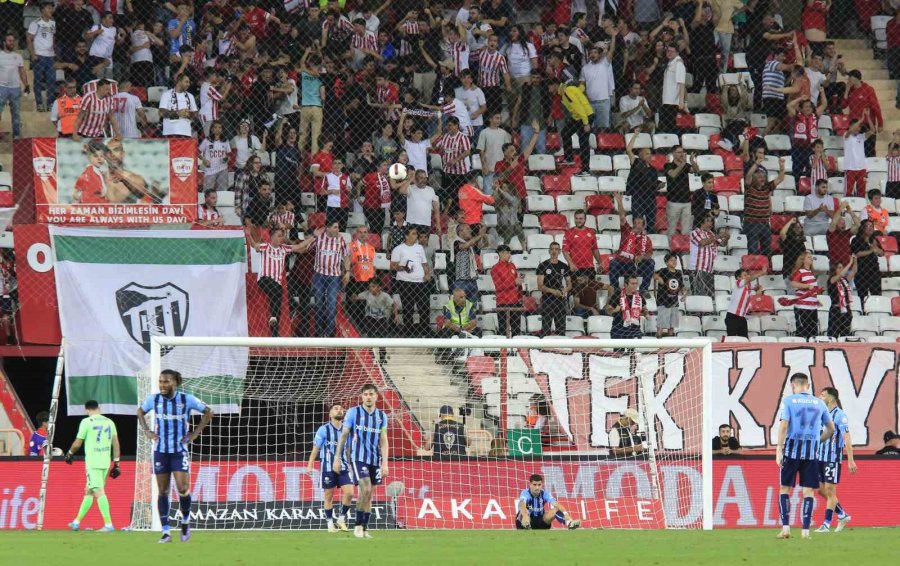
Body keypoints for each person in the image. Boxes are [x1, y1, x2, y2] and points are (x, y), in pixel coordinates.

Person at [137, 370, 214, 543]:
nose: (162, 385)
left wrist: (194, 433)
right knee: (163, 491)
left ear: (175, 383)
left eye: (166, 382)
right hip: (160, 451)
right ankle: (166, 532)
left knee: (182, 489)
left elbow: (209, 412)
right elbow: (140, 412)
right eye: (160, 382)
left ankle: (185, 521)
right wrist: (147, 431)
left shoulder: (187, 399)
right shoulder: (153, 399)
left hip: (179, 451)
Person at [775, 372, 834, 540]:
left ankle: (786, 529)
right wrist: (817, 441)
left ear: (793, 386)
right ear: (807, 386)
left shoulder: (788, 401)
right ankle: (805, 532)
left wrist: (779, 449)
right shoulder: (819, 403)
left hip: (792, 452)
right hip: (811, 454)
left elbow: (784, 426)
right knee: (808, 492)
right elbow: (831, 429)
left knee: (784, 489)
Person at [333, 383, 389, 539]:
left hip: (375, 460)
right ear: (362, 397)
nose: (368, 397)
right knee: (365, 489)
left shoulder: (382, 416)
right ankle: (357, 526)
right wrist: (337, 458)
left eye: (371, 394)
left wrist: (385, 463)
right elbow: (344, 435)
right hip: (358, 458)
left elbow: (383, 440)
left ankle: (364, 528)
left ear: (376, 396)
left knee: (369, 494)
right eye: (365, 394)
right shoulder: (353, 413)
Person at [64, 400, 120, 532]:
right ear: (99, 408)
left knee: (98, 491)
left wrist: (70, 453)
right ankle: (76, 523)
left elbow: (78, 443)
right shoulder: (109, 422)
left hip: (93, 462)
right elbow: (116, 443)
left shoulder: (86, 422)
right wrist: (116, 463)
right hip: (105, 462)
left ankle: (108, 525)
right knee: (89, 491)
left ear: (86, 410)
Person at [247, 227, 312, 335]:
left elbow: (300, 246)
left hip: (276, 283)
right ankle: (274, 318)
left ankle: (274, 328)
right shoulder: (266, 247)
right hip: (264, 279)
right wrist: (249, 236)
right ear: (272, 237)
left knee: (277, 294)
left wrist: (313, 237)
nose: (281, 238)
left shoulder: (284, 248)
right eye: (279, 236)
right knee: (279, 291)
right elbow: (254, 246)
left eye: (282, 236)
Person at [305, 404, 354, 533]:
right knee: (328, 496)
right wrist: (310, 464)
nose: (339, 410)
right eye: (336, 409)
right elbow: (316, 449)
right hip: (327, 467)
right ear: (330, 414)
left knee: (350, 493)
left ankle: (341, 518)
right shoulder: (323, 429)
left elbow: (348, 449)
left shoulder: (347, 430)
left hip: (343, 466)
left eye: (341, 409)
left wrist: (350, 463)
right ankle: (330, 524)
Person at [815, 387, 857, 533]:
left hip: (832, 458)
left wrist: (850, 460)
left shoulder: (840, 415)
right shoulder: (822, 414)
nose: (820, 397)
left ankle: (826, 524)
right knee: (820, 490)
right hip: (819, 457)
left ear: (831, 398)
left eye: (823, 395)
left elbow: (846, 437)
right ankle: (842, 514)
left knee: (830, 490)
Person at [390, 226, 431, 337]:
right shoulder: (398, 249)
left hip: (420, 282)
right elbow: (393, 266)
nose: (415, 236)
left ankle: (424, 331)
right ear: (406, 236)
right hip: (405, 282)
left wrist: (427, 274)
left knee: (424, 307)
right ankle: (408, 333)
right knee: (408, 308)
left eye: (416, 234)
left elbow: (424, 263)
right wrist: (404, 268)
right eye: (413, 234)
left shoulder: (419, 248)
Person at [609, 193, 654, 289]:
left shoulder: (646, 239)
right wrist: (620, 202)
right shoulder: (627, 231)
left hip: (637, 264)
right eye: (635, 223)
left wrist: (642, 257)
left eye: (639, 223)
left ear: (643, 226)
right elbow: (622, 217)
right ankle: (615, 289)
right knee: (613, 263)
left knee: (651, 262)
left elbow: (649, 254)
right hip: (623, 263)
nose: (636, 225)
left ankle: (643, 290)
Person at [625, 127, 661, 230]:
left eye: (650, 153)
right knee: (638, 221)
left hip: (650, 198)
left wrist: (659, 185)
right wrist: (635, 135)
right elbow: (628, 149)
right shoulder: (637, 163)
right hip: (638, 197)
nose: (649, 155)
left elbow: (654, 185)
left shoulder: (653, 169)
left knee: (651, 223)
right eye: (646, 153)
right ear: (640, 155)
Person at [516, 473, 581, 530]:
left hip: (541, 522)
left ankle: (569, 523)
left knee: (555, 510)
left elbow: (556, 504)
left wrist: (566, 514)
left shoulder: (544, 493)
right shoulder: (525, 493)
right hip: (526, 521)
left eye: (539, 485)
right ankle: (526, 527)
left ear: (542, 484)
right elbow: (522, 504)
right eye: (535, 485)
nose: (537, 487)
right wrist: (525, 515)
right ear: (530, 484)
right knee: (524, 512)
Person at [0, 32, 31, 139]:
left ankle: (16, 135)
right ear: (4, 42)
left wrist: (26, 85)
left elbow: (22, 71)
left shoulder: (18, 56)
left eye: (13, 41)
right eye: (9, 40)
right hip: (1, 88)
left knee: (16, 114)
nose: (12, 42)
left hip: (15, 89)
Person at [27, 2, 56, 113]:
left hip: (50, 56)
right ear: (42, 9)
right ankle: (39, 102)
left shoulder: (53, 23)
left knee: (51, 80)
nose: (51, 10)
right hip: (39, 55)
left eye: (52, 8)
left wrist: (54, 50)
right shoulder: (36, 23)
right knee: (38, 80)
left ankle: (50, 103)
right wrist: (33, 54)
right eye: (49, 8)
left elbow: (52, 37)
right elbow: (29, 39)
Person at [689, 213, 728, 297]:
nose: (710, 224)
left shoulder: (711, 234)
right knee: (698, 296)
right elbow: (703, 242)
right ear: (701, 222)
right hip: (697, 269)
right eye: (708, 221)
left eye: (711, 221)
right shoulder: (695, 232)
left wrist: (727, 238)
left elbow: (722, 244)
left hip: (709, 270)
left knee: (709, 297)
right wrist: (718, 236)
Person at [537, 242, 571, 336]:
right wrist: (553, 291)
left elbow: (569, 284)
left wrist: (565, 290)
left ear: (560, 251)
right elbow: (540, 285)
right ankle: (544, 348)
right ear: (549, 251)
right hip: (547, 300)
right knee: (546, 327)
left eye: (556, 249)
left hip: (560, 300)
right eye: (552, 249)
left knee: (561, 328)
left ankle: (561, 349)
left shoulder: (564, 266)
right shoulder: (543, 265)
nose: (554, 251)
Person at [664, 147, 699, 238]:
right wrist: (682, 165)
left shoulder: (686, 165)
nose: (681, 154)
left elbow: (696, 170)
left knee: (686, 230)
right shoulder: (668, 165)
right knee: (672, 229)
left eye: (683, 152)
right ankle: (671, 249)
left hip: (686, 201)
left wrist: (692, 161)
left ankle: (683, 249)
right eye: (679, 152)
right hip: (673, 202)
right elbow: (673, 174)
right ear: (673, 153)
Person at [491, 244, 523, 337]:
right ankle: (504, 351)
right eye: (507, 253)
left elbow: (517, 282)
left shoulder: (512, 265)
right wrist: (514, 283)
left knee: (516, 329)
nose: (509, 255)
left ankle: (516, 350)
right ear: (501, 253)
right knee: (503, 330)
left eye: (509, 253)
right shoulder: (495, 268)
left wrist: (520, 295)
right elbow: (499, 286)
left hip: (515, 301)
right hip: (503, 302)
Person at [851, 219, 884, 306]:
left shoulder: (874, 240)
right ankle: (863, 313)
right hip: (861, 271)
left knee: (876, 293)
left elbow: (882, 253)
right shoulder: (856, 240)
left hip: (874, 271)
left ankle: (877, 310)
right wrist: (870, 251)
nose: (870, 228)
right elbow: (857, 254)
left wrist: (876, 249)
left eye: (871, 226)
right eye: (867, 226)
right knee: (862, 295)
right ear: (862, 228)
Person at [653, 253, 686, 338]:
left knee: (672, 324)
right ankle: (658, 337)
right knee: (661, 323)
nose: (674, 262)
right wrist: (659, 278)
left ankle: (670, 337)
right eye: (671, 260)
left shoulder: (678, 273)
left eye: (675, 260)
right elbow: (654, 275)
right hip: (663, 300)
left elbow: (681, 285)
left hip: (674, 300)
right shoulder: (663, 270)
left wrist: (684, 294)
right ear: (666, 262)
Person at [452, 223, 487, 301]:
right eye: (467, 229)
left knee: (472, 307)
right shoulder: (456, 242)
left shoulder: (472, 245)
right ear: (460, 232)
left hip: (472, 280)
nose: (470, 230)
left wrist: (482, 232)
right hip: (461, 281)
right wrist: (479, 236)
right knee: (460, 306)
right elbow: (464, 246)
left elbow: (483, 245)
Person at [725, 268, 765, 338]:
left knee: (744, 339)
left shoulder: (748, 287)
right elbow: (750, 279)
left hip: (742, 317)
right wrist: (762, 272)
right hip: (733, 316)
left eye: (747, 275)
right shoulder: (738, 283)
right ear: (738, 278)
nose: (747, 276)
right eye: (744, 275)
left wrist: (759, 289)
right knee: (731, 339)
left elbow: (756, 291)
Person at [606, 275, 647, 340]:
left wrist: (646, 314)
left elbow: (644, 309)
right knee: (618, 350)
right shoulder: (617, 295)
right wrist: (614, 310)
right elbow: (608, 309)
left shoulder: (639, 296)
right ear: (625, 284)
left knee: (632, 350)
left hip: (634, 328)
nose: (635, 286)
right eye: (632, 284)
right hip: (618, 328)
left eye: (636, 284)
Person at [843, 117, 875, 197]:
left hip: (862, 169)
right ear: (850, 126)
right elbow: (851, 131)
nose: (858, 128)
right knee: (848, 193)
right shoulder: (846, 136)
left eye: (859, 126)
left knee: (861, 193)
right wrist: (861, 120)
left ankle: (860, 208)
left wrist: (868, 117)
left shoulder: (861, 136)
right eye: (856, 126)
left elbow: (872, 130)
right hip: (850, 168)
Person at [563, 210, 600, 278]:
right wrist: (571, 264)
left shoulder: (591, 232)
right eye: (576, 218)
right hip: (575, 268)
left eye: (581, 218)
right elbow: (565, 251)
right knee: (576, 288)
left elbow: (595, 249)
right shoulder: (569, 233)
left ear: (585, 219)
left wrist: (600, 263)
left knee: (591, 288)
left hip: (589, 267)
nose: (578, 220)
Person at [159, 73, 198, 138]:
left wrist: (189, 113)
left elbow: (195, 114)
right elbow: (161, 112)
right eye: (186, 82)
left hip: (186, 133)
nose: (189, 84)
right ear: (179, 81)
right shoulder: (166, 94)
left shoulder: (190, 96)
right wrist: (177, 113)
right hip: (170, 133)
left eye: (189, 82)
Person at [827, 258, 856, 338]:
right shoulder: (831, 280)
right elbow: (840, 275)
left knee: (845, 335)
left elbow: (853, 272)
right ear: (834, 269)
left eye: (842, 267)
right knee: (833, 334)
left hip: (846, 310)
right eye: (839, 267)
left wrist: (855, 261)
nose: (842, 269)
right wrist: (850, 263)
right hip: (836, 311)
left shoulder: (844, 280)